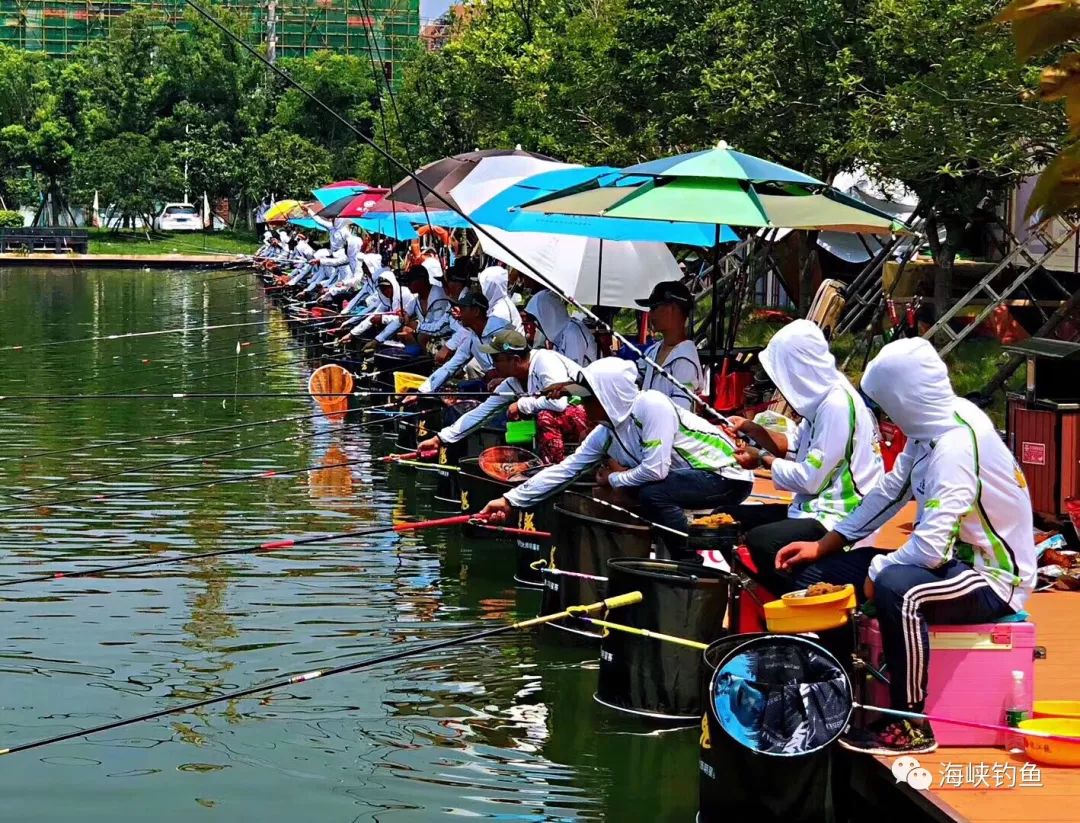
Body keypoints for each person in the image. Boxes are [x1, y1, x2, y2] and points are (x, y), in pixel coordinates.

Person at [775, 338, 1037, 756]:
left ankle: (911, 722)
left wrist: (876, 574)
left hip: (991, 578)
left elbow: (929, 549)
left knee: (899, 587)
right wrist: (825, 546)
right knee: (821, 574)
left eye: (886, 405)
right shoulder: (929, 426)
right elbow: (890, 492)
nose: (885, 416)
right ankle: (838, 687)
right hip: (946, 564)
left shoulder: (955, 447)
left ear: (905, 399)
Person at [479, 358, 754, 558]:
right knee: (624, 492)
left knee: (651, 493)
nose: (583, 406)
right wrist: (510, 500)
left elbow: (655, 470)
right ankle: (658, 548)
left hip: (727, 475)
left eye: (588, 399)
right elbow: (565, 470)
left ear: (608, 395)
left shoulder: (650, 405)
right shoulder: (606, 431)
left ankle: (689, 556)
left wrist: (613, 478)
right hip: (685, 480)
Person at [727, 319, 885, 591]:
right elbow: (793, 446)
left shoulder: (835, 406)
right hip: (811, 507)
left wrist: (761, 458)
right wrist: (752, 429)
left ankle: (800, 600)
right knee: (727, 519)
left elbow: (809, 479)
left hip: (839, 514)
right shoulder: (819, 398)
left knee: (763, 541)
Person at [416, 329, 587, 463]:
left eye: (496, 359)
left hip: (589, 416)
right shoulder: (512, 383)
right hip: (566, 425)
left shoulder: (545, 361)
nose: (492, 364)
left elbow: (560, 404)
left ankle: (554, 468)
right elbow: (480, 414)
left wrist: (521, 405)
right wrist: (440, 439)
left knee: (545, 416)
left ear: (514, 360)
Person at [414, 289, 509, 394]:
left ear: (476, 311)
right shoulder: (472, 337)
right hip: (492, 384)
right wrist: (422, 391)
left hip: (510, 386)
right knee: (459, 388)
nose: (459, 312)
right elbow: (450, 367)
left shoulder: (501, 331)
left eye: (463, 308)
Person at [635, 281, 705, 411]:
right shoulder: (652, 351)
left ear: (671, 309)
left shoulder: (685, 361)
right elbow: (632, 379)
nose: (650, 314)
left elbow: (680, 413)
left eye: (654, 308)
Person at [344, 271, 416, 351]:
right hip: (392, 330)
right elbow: (373, 316)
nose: (384, 291)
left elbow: (400, 320)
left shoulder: (404, 294)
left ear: (393, 285)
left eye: (387, 287)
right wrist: (352, 333)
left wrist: (377, 339)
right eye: (382, 288)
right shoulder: (386, 300)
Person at [524, 290, 597, 365]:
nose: (537, 326)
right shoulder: (559, 335)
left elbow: (573, 369)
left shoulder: (572, 332)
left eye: (536, 320)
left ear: (548, 315)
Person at [400, 259, 453, 350]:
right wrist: (405, 316)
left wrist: (417, 326)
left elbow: (440, 329)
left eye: (411, 280)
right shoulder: (417, 298)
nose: (408, 284)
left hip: (444, 337)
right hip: (427, 334)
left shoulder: (439, 296)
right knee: (405, 332)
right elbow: (406, 312)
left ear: (422, 280)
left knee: (422, 336)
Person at [478, 265, 524, 334]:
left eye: (482, 285)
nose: (480, 289)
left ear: (490, 287)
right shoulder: (499, 302)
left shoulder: (500, 312)